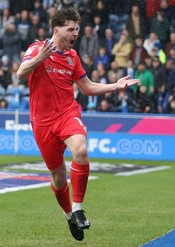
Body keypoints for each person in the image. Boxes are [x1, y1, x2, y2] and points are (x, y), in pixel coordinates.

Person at [16, 8, 139, 241]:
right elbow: (20, 73)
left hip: (67, 114)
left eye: (77, 29)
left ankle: (78, 207)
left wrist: (115, 86)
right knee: (58, 176)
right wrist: (40, 58)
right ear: (57, 30)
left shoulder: (72, 56)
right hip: (42, 123)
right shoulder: (36, 49)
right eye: (71, 29)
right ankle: (69, 216)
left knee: (81, 150)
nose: (75, 33)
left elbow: (88, 87)